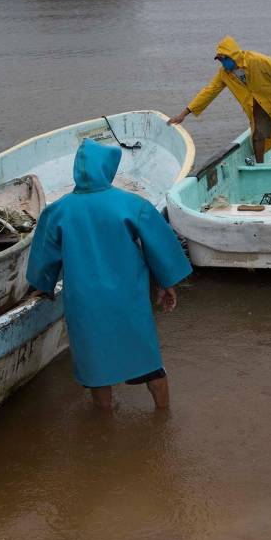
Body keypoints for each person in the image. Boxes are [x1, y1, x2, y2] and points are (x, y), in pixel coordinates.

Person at [26, 139, 192, 411]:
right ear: (108, 169)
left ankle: (104, 421)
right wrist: (166, 282)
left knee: (96, 368)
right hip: (128, 297)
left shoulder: (57, 211)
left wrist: (43, 285)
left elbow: (45, 257)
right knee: (148, 362)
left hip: (84, 302)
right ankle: (163, 418)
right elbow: (159, 244)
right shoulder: (131, 204)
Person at [168, 36, 271, 163]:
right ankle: (260, 166)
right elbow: (209, 92)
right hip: (259, 104)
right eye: (220, 60)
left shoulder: (258, 60)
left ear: (233, 55)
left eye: (225, 59)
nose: (223, 63)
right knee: (258, 135)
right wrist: (184, 114)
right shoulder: (224, 74)